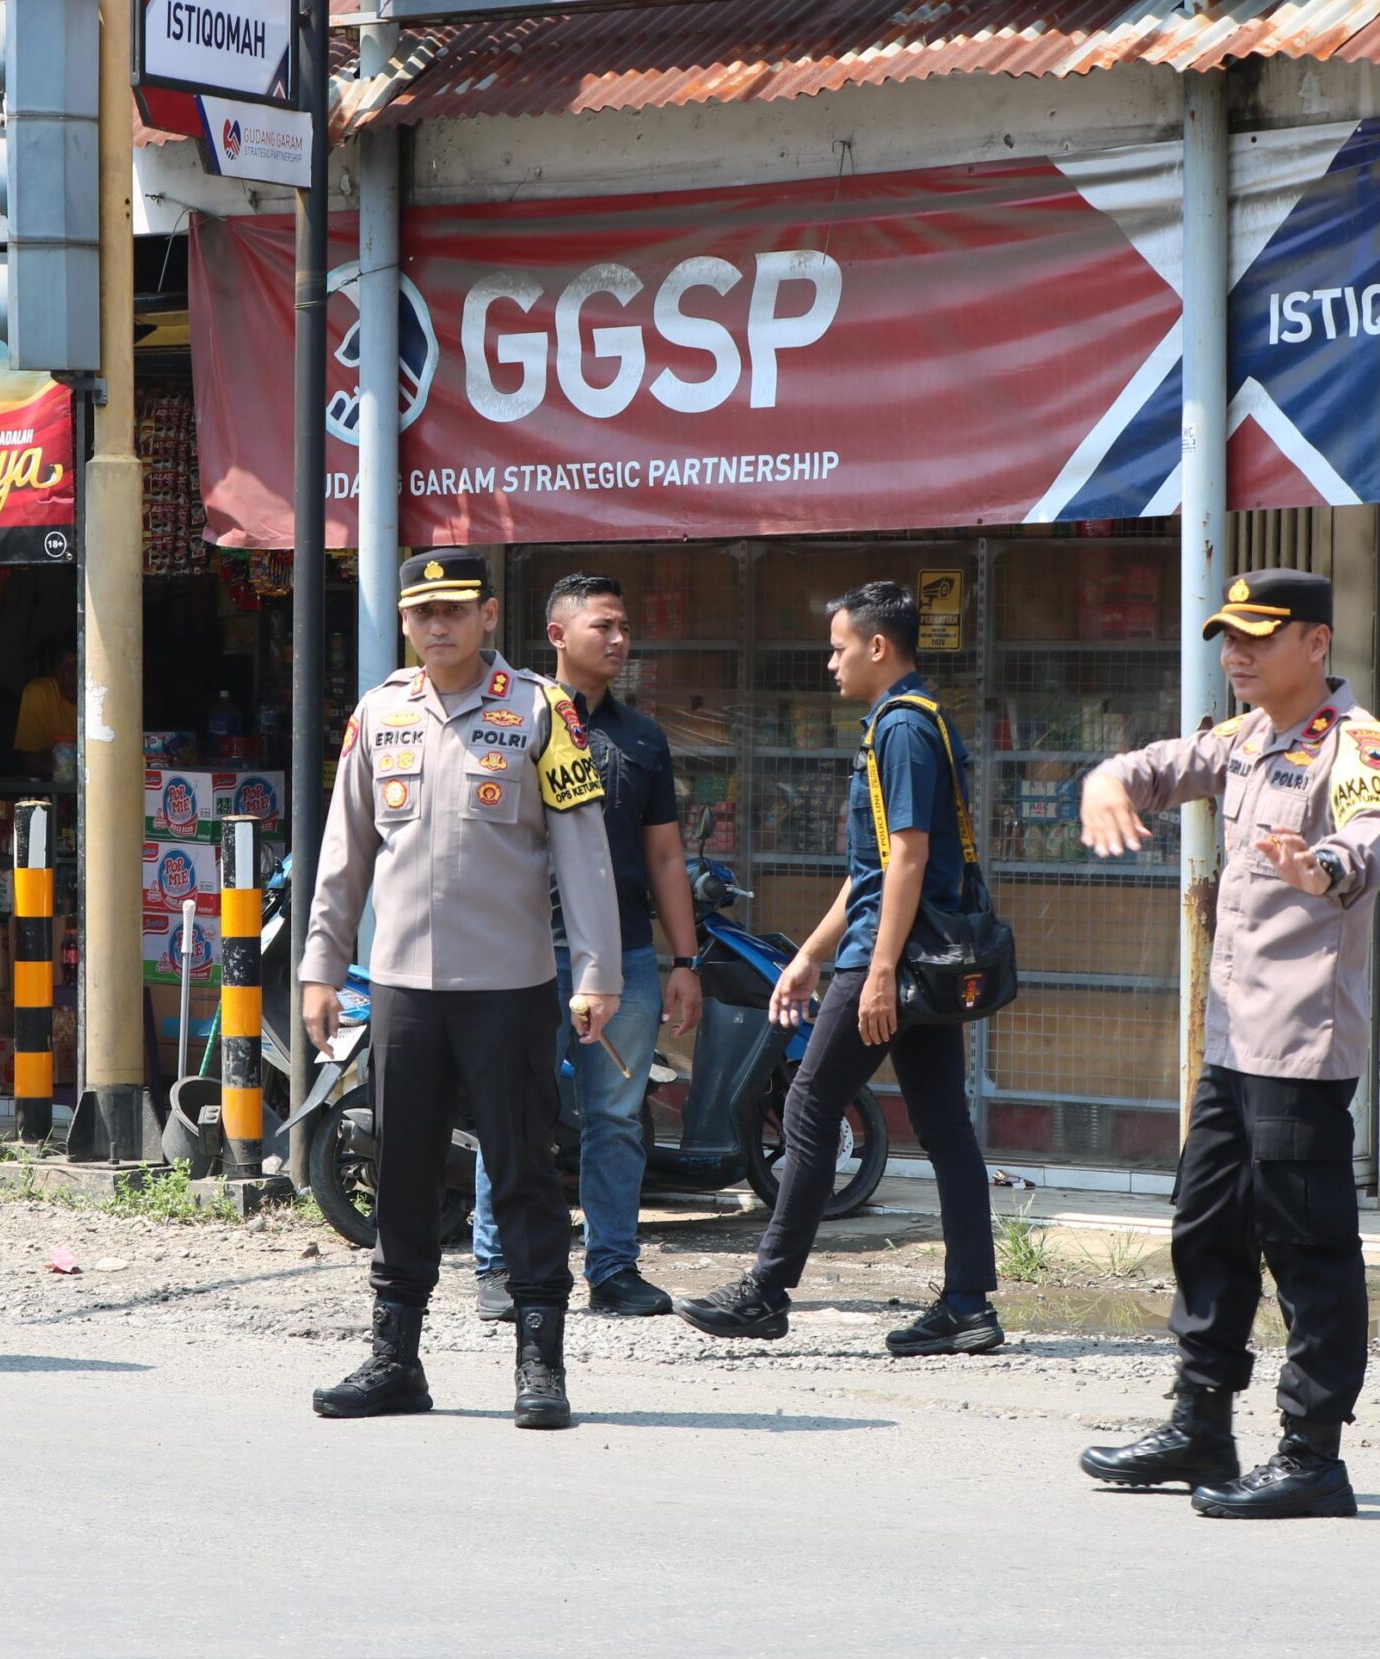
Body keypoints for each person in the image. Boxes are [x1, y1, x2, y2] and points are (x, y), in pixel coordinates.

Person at [1076, 569, 1380, 1520]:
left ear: (1318, 642)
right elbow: (1159, 764)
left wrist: (1326, 865)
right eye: (1230, 637)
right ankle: (1201, 1423)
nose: (1238, 653)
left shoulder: (1358, 742)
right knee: (1206, 1225)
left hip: (1300, 1046)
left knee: (1308, 1249)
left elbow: (1379, 832)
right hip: (1230, 1040)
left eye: (1261, 637)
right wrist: (1109, 777)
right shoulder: (1245, 738)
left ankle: (1312, 1454)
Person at [300, 549, 621, 1430]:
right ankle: (395, 1358)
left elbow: (582, 850)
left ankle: (539, 1361)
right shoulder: (380, 714)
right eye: (420, 613)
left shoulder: (540, 711)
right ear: (404, 621)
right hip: (403, 988)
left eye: (453, 610)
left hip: (510, 988)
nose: (437, 626)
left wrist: (598, 971)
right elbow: (345, 853)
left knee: (521, 1169)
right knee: (400, 1171)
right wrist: (321, 966)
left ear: (486, 615)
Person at [674, 581, 1002, 1355]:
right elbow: (874, 867)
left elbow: (909, 859)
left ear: (877, 647)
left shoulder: (901, 729)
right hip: (905, 954)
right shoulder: (906, 721)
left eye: (839, 645)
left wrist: (877, 967)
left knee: (811, 1106)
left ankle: (766, 1290)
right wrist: (810, 959)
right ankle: (968, 1305)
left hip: (894, 957)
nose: (831, 661)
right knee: (946, 1125)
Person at [471, 573, 702, 1323]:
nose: (619, 638)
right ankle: (498, 1265)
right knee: (512, 1113)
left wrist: (685, 960)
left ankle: (614, 1268)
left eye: (625, 625)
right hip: (523, 955)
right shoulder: (516, 722)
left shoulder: (642, 738)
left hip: (626, 957)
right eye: (604, 624)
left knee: (616, 1118)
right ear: (559, 634)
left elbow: (666, 857)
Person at [11, 641, 74, 777]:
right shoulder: (39, 693)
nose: (68, 673)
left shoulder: (107, 699)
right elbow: (30, 761)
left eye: (77, 664)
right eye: (62, 664)